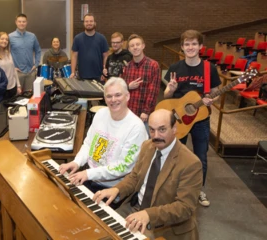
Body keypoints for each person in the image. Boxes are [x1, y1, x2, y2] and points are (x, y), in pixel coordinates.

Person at [93, 109, 202, 240]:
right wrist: (116, 189)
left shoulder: (191, 163)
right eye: (151, 130)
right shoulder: (147, 146)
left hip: (164, 224)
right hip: (135, 208)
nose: (156, 136)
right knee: (98, 231)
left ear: (174, 128)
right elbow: (135, 177)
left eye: (162, 130)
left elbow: (184, 208)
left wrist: (148, 215)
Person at [59, 77, 147, 198]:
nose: (113, 100)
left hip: (112, 189)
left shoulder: (136, 128)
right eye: (109, 96)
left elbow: (123, 167)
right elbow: (88, 144)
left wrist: (88, 174)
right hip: (90, 178)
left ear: (127, 96)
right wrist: (77, 162)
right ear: (104, 98)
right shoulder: (100, 114)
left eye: (118, 95)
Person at [164, 29, 221, 207]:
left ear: (200, 46)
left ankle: (198, 190)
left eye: (194, 44)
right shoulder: (175, 68)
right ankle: (173, 188)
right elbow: (166, 96)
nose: (190, 47)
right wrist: (171, 89)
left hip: (200, 120)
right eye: (187, 44)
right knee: (174, 155)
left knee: (200, 157)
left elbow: (215, 92)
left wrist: (212, 99)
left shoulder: (208, 68)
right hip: (179, 118)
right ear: (182, 47)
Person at [122, 34, 161, 132]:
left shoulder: (153, 65)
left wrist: (146, 111)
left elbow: (153, 91)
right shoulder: (127, 67)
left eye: (137, 44)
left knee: (144, 144)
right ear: (129, 49)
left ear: (143, 46)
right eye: (132, 46)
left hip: (144, 115)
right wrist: (128, 86)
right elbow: (122, 89)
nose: (135, 47)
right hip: (129, 113)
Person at [70, 13, 109, 81]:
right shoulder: (77, 38)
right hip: (82, 76)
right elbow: (74, 56)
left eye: (91, 21)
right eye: (86, 21)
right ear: (84, 23)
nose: (89, 23)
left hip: (99, 76)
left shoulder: (102, 38)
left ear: (95, 23)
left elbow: (106, 56)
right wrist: (73, 72)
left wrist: (104, 71)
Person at [9, 13, 41, 91]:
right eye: (19, 21)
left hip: (30, 72)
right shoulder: (10, 37)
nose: (21, 23)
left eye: (23, 21)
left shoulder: (32, 36)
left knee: (29, 97)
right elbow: (6, 54)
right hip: (17, 73)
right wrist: (12, 67)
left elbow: (38, 50)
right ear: (16, 22)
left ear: (27, 22)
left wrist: (36, 64)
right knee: (17, 98)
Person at [0, 32, 22, 99]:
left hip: (12, 87)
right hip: (1, 89)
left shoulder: (7, 53)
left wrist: (18, 85)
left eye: (6, 39)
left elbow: (13, 70)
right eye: (2, 39)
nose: (4, 41)